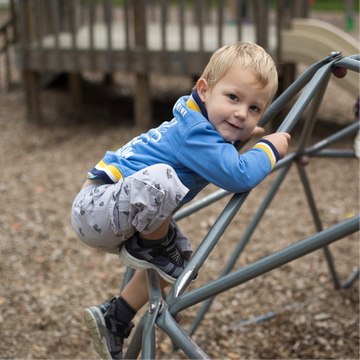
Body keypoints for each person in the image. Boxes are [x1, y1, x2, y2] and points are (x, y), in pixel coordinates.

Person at [71, 41, 291, 360]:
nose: (242, 112)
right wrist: (269, 148)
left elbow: (218, 145)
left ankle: (115, 317)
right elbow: (238, 175)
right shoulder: (195, 133)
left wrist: (242, 132)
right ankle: (151, 245)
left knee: (177, 264)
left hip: (116, 210)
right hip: (96, 206)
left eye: (254, 108)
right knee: (162, 180)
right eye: (233, 98)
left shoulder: (196, 121)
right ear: (204, 90)